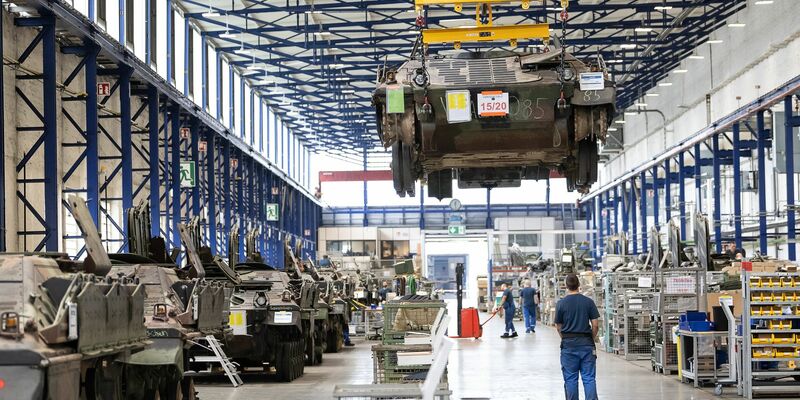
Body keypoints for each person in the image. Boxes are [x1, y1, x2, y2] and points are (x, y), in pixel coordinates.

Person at [555, 274, 600, 400]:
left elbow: (558, 326)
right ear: (579, 285)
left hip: (568, 345)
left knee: (570, 379)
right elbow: (595, 325)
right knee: (589, 378)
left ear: (566, 285)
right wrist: (590, 338)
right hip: (586, 345)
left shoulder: (561, 304)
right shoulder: (588, 302)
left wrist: (564, 338)